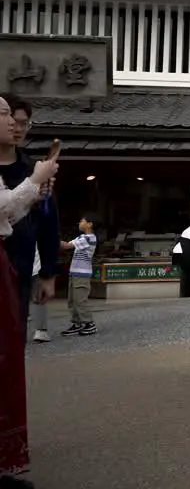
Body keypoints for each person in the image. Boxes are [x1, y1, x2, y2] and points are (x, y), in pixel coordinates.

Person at [0, 94, 58, 483]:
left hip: (15, 272)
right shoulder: (30, 173)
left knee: (8, 360)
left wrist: (48, 271)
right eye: (8, 116)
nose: (16, 125)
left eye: (21, 120)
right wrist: (34, 183)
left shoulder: (27, 166)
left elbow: (46, 221)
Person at [59, 214, 100, 337]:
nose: (79, 223)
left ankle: (89, 324)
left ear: (90, 224)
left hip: (82, 274)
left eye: (82, 221)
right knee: (72, 300)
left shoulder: (89, 238)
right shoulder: (82, 237)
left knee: (80, 300)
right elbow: (66, 245)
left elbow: (66, 246)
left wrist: (50, 235)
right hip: (74, 272)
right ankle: (77, 323)